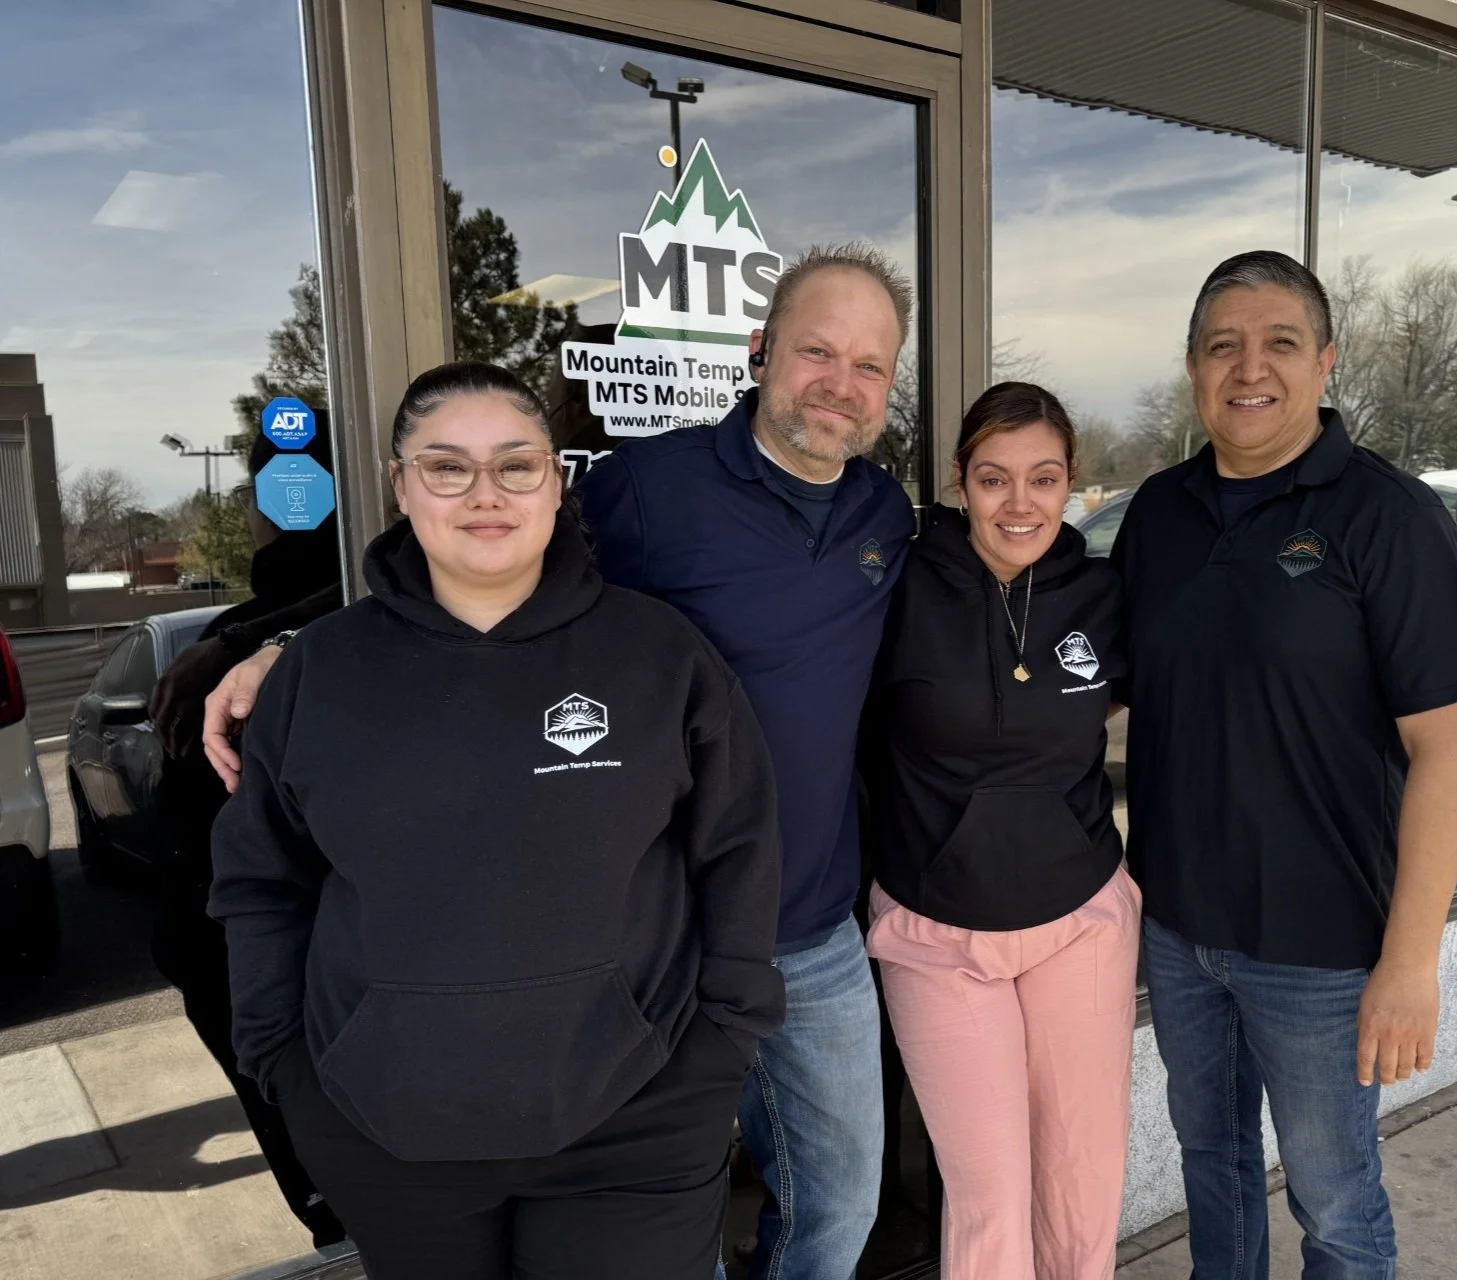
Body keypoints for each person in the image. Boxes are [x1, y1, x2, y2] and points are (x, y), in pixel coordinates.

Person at [202, 245, 919, 1279]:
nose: (840, 385)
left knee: (841, 1199)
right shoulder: (650, 487)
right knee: (672, 1229)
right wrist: (295, 644)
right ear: (761, 351)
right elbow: (482, 554)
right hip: (662, 937)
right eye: (817, 350)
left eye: (870, 366)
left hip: (810, 927)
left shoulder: (882, 517)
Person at [1110, 250, 1457, 1279]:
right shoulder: (1156, 514)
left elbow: (1447, 749)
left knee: (1335, 1203)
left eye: (1280, 342)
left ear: (1325, 361)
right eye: (1222, 346)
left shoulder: (1385, 514)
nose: (1251, 367)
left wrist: (1411, 963)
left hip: (1327, 951)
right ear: (1194, 367)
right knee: (1215, 1163)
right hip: (1181, 931)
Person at [862, 382, 1139, 1279]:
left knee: (1081, 1178)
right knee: (988, 1200)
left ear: (1072, 486)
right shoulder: (898, 589)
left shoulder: (1101, 593)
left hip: (1078, 920)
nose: (1018, 503)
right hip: (937, 928)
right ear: (957, 481)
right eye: (993, 479)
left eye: (1043, 478)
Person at [149, 428, 346, 1248]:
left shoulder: (237, 664)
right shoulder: (249, 648)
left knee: (345, 1209)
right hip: (285, 986)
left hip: (302, 994)